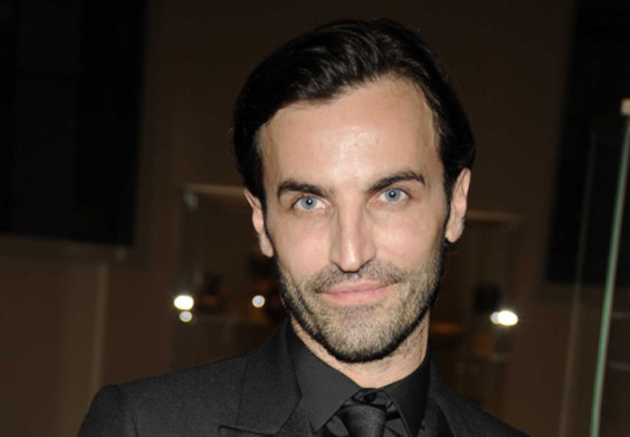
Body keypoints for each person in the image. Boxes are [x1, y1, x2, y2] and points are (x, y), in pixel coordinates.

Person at [80, 19, 527, 436]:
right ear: (261, 221)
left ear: (456, 204)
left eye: (391, 195)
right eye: (309, 203)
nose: (350, 254)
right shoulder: (143, 425)